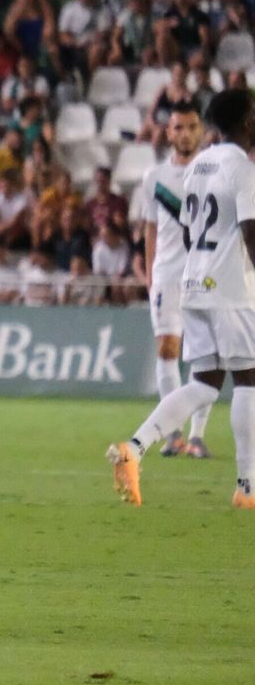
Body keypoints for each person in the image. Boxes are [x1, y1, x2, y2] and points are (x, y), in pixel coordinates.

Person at [108, 88, 255, 509]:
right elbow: (251, 231)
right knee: (249, 379)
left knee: (205, 383)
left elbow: (191, 234)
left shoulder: (198, 167)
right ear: (245, 122)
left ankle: (134, 448)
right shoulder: (242, 169)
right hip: (231, 292)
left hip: (194, 285)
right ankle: (248, 487)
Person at [140, 103, 214, 458]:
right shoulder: (153, 178)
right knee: (167, 349)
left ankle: (198, 437)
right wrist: (150, 272)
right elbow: (150, 228)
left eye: (191, 126)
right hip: (168, 275)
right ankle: (174, 433)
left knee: (205, 356)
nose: (185, 133)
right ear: (168, 133)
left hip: (207, 273)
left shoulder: (215, 170)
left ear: (200, 131)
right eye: (178, 127)